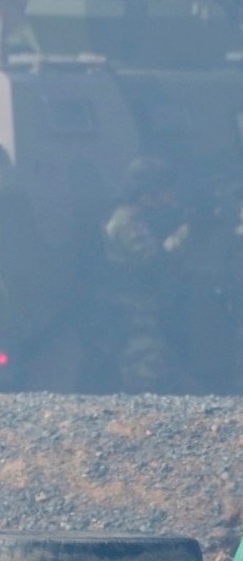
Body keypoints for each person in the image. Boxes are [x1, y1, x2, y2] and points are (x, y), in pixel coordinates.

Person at [100, 155, 191, 393]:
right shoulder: (125, 220)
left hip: (148, 305)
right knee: (146, 374)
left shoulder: (142, 216)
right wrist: (185, 234)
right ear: (149, 192)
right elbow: (154, 259)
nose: (172, 195)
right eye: (167, 189)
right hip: (133, 310)